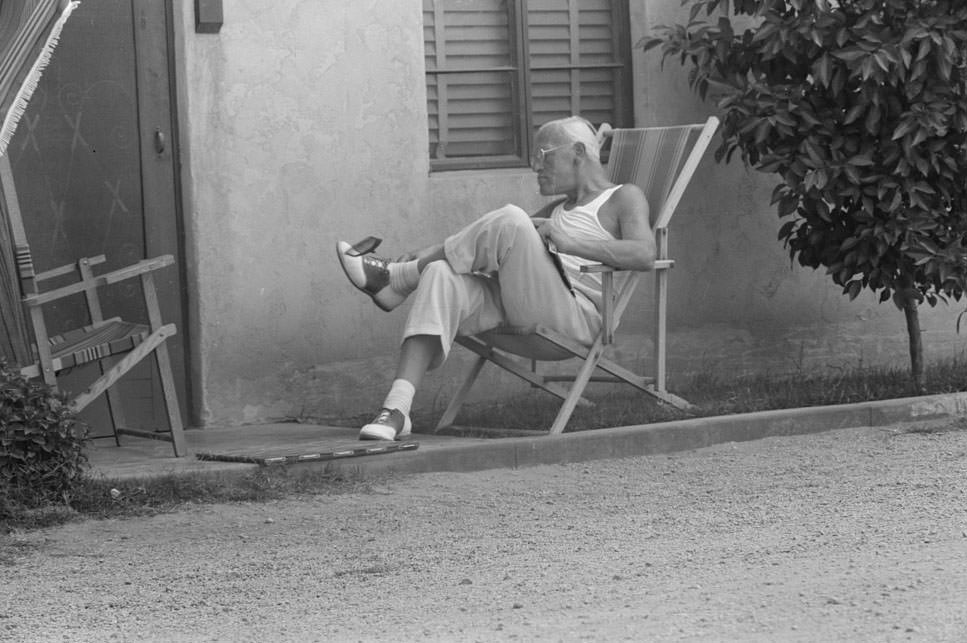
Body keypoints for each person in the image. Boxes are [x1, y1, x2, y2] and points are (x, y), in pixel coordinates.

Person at [336, 116, 656, 441]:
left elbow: (645, 254)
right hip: (524, 306)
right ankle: (397, 410)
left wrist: (571, 243)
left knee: (513, 219)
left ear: (577, 152)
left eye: (543, 156)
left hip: (575, 318)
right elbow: (496, 246)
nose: (536, 167)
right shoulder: (558, 208)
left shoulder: (623, 197)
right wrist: (432, 254)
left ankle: (398, 279)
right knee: (440, 273)